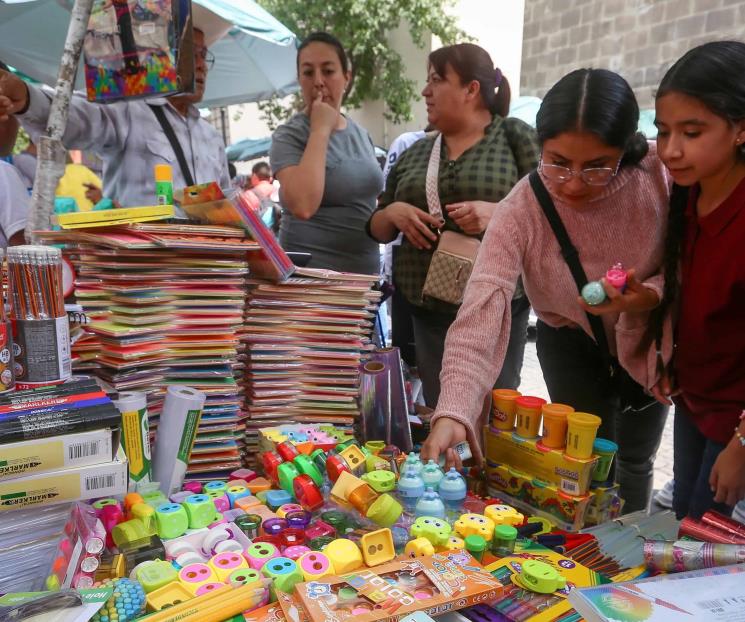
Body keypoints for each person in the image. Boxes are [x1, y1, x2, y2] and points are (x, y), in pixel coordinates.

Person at [420, 68, 671, 513]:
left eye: (597, 166)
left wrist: (650, 293)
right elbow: (482, 306)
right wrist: (454, 408)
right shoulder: (522, 207)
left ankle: (636, 539)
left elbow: (691, 262)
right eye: (557, 162)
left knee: (636, 457)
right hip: (570, 342)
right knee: (584, 464)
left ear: (627, 148)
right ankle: (595, 544)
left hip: (650, 339)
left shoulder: (659, 174)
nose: (573, 183)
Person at [367, 43, 538, 409]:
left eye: (436, 80)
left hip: (497, 307)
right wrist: (394, 211)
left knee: (496, 411)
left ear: (471, 89)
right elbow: (377, 228)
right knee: (441, 407)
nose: (425, 91)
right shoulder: (416, 151)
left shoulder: (515, 137)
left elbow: (550, 209)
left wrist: (496, 214)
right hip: (429, 310)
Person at [652, 41, 745, 519]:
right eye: (663, 131)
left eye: (691, 132)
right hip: (695, 399)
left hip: (736, 419)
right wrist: (673, 359)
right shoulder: (690, 196)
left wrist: (742, 444)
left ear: (740, 129)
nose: (670, 150)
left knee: (708, 542)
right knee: (682, 516)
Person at [0, 28, 229, 207]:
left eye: (204, 55)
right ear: (160, 56)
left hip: (207, 262)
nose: (201, 66)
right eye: (191, 53)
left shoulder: (212, 137)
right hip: (144, 262)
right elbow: (77, 116)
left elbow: (227, 202)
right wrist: (28, 98)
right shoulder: (129, 110)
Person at [270, 32, 383, 275]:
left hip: (364, 285)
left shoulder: (361, 134)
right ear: (299, 79)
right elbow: (302, 205)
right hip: (313, 289)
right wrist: (320, 129)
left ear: (346, 77)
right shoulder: (289, 135)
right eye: (308, 73)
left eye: (329, 71)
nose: (319, 81)